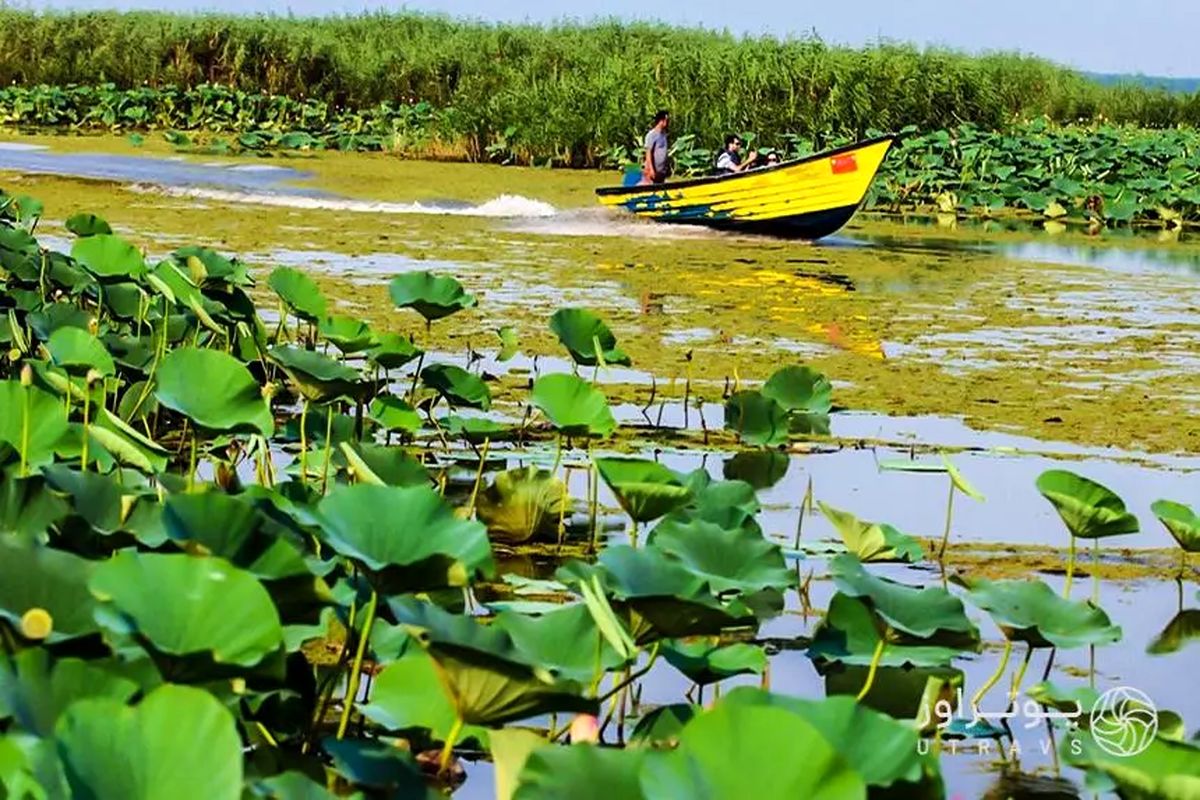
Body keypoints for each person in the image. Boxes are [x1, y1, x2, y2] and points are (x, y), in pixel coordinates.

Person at [641, 110, 671, 184]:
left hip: (661, 172)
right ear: (662, 121)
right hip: (652, 171)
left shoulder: (664, 134)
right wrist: (651, 169)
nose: (668, 122)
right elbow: (648, 154)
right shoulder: (651, 135)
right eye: (667, 120)